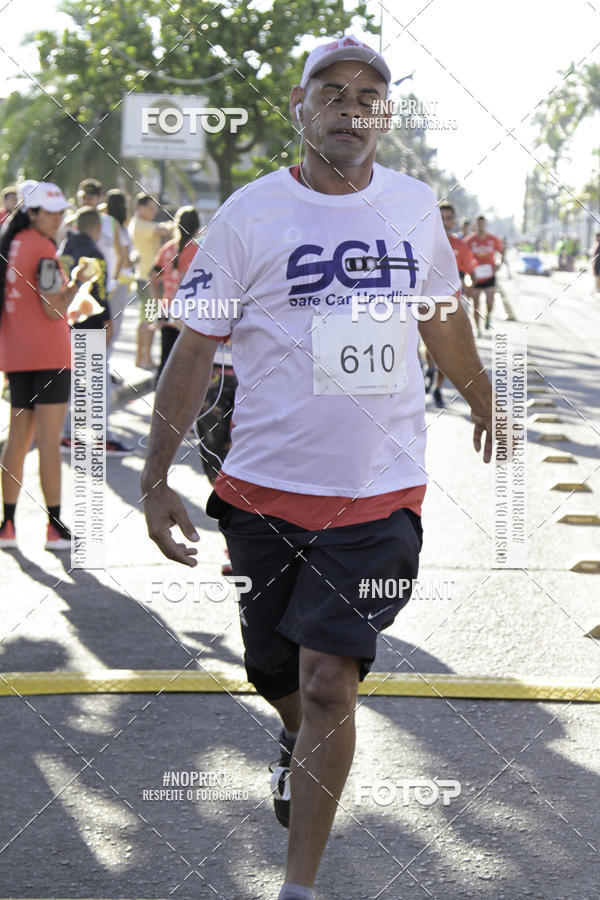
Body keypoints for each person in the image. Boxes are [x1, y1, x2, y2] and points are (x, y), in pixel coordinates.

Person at [141, 35, 493, 900]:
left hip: (379, 493)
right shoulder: (250, 214)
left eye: (368, 92)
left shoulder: (415, 209)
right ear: (300, 110)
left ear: (384, 116)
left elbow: (442, 316)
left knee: (331, 681)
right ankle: (297, 743)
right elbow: (193, 351)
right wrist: (155, 480)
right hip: (260, 492)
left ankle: (298, 886)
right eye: (329, 90)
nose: (349, 103)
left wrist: (483, 396)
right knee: (279, 674)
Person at [0, 180, 85, 550]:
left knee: (18, 441)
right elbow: (54, 309)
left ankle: (7, 526)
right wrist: (79, 282)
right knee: (48, 442)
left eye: (60, 212)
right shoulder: (46, 250)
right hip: (50, 357)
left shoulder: (11, 243)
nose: (57, 219)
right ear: (31, 213)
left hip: (17, 355)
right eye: (50, 213)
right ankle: (54, 528)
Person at [427, 203, 478, 406]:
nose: (445, 222)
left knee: (446, 351)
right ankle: (429, 369)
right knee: (429, 348)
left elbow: (471, 272)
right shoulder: (423, 242)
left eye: (449, 218)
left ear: (454, 221)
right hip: (423, 302)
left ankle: (438, 388)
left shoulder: (460, 245)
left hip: (451, 303)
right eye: (441, 217)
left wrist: (470, 285)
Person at [150, 206, 201, 383]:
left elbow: (152, 276)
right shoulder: (197, 251)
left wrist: (160, 302)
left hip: (167, 308)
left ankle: (159, 400)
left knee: (165, 358)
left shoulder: (167, 249)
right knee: (186, 363)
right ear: (196, 227)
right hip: (188, 313)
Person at [129, 193, 172, 369]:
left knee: (148, 318)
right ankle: (143, 359)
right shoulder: (141, 225)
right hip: (148, 278)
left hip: (146, 277)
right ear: (140, 208)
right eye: (151, 208)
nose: (154, 212)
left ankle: (143, 358)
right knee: (148, 320)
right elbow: (164, 230)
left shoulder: (140, 224)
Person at [466, 215, 504, 334]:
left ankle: (488, 315)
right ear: (475, 225)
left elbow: (501, 251)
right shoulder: (469, 240)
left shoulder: (493, 239)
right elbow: (464, 257)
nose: (481, 226)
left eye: (483, 224)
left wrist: (498, 264)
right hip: (475, 276)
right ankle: (477, 329)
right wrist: (469, 270)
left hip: (489, 275)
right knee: (476, 303)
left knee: (489, 301)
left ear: (485, 225)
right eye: (478, 224)